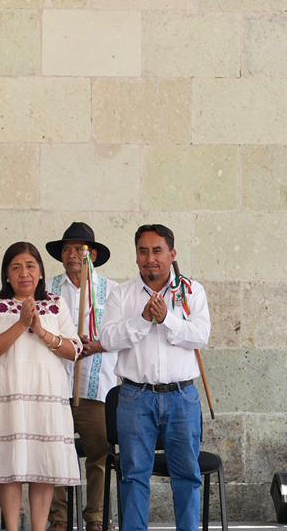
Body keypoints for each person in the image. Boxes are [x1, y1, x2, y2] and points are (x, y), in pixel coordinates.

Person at [98, 224, 210, 531]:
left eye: (157, 251)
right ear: (136, 257)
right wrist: (144, 319)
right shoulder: (122, 295)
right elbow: (108, 339)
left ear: (172, 254)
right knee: (134, 476)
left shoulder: (192, 291)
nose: (151, 258)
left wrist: (167, 319)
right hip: (135, 397)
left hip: (182, 396)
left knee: (187, 475)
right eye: (143, 251)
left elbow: (201, 335)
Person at [0, 242, 81, 531]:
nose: (24, 273)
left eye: (30, 266)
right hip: (8, 393)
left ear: (41, 272)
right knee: (11, 465)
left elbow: (74, 350)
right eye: (16, 267)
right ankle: (11, 527)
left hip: (46, 395)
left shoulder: (56, 303)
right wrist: (21, 324)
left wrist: (42, 331)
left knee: (42, 464)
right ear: (7, 275)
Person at [46, 223, 119, 531]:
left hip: (96, 388)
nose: (71, 255)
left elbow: (119, 336)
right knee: (55, 454)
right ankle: (58, 520)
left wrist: (95, 344)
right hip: (57, 388)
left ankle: (96, 520)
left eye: (78, 249)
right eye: (67, 249)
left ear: (93, 254)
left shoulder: (112, 291)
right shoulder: (48, 289)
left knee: (98, 457)